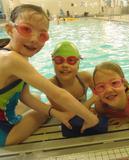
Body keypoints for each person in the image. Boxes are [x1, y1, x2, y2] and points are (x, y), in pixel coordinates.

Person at [0, 4, 98, 146]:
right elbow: (59, 94)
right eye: (26, 29)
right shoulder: (12, 59)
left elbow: (25, 96)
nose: (34, 39)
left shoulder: (15, 56)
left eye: (42, 35)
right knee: (41, 113)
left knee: (37, 97)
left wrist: (58, 114)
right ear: (9, 29)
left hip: (6, 117)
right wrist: (91, 118)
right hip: (4, 133)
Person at [49, 40, 108, 137]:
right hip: (67, 121)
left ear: (78, 64)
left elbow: (100, 94)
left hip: (86, 117)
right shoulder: (51, 84)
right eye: (59, 60)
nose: (65, 65)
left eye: (71, 60)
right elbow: (68, 114)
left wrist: (95, 108)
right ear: (53, 62)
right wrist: (91, 102)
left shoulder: (85, 77)